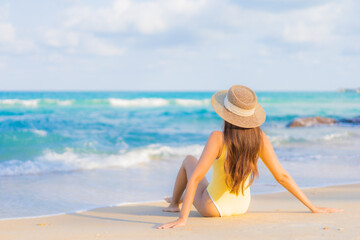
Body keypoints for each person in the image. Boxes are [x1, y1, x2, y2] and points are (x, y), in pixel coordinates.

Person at [157, 85, 343, 229]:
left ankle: (175, 204)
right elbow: (282, 176)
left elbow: (196, 177)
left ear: (225, 113)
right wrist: (313, 207)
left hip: (213, 208)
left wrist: (183, 219)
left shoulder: (218, 138)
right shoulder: (259, 139)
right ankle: (178, 198)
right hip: (242, 207)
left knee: (189, 160)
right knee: (201, 181)